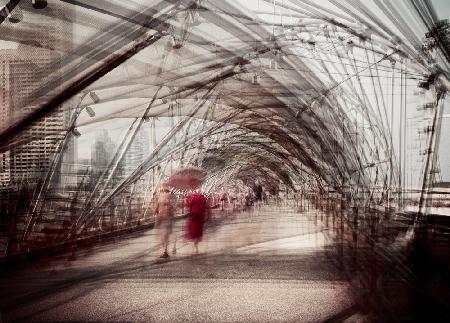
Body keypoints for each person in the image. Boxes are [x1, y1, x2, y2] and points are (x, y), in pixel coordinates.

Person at [154, 182, 176, 258]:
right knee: (163, 235)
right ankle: (165, 250)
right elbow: (157, 206)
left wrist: (157, 211)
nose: (162, 189)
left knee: (165, 235)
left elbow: (173, 206)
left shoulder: (169, 195)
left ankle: (165, 251)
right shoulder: (160, 195)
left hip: (165, 217)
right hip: (162, 217)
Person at [185, 190, 210, 254]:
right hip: (200, 216)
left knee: (193, 231)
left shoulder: (192, 197)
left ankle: (195, 246)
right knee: (198, 231)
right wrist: (207, 216)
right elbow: (206, 207)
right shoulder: (202, 198)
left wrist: (190, 213)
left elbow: (189, 206)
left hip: (193, 216)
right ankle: (196, 246)